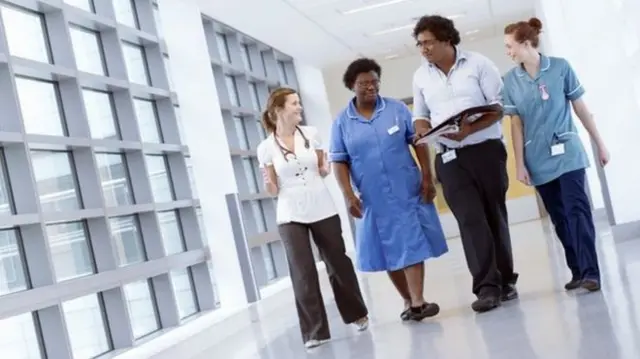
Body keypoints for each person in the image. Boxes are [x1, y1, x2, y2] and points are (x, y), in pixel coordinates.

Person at [411, 15, 518, 313]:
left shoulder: (479, 64)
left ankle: (506, 279)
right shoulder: (420, 77)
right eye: (419, 44)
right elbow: (420, 114)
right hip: (449, 157)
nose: (424, 49)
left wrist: (469, 129)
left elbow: (498, 109)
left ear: (447, 39)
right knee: (470, 220)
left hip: (486, 150)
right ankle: (486, 288)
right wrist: (422, 130)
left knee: (493, 215)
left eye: (428, 42)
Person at [329, 58, 448, 322]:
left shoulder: (396, 110)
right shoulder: (341, 123)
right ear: (352, 86)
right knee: (387, 248)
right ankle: (407, 299)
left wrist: (428, 177)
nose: (370, 87)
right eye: (363, 83)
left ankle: (418, 301)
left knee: (411, 241)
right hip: (372, 196)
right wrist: (348, 195)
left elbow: (418, 143)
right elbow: (339, 161)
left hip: (406, 188)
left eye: (374, 81)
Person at [257, 87, 369, 349]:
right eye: (294, 103)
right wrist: (267, 184)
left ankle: (357, 313)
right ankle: (315, 332)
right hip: (290, 213)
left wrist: (325, 167)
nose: (299, 107)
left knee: (338, 263)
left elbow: (322, 169)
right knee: (302, 272)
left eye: (298, 103)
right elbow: (273, 190)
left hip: (321, 205)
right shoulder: (265, 148)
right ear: (279, 109)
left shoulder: (311, 134)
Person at [502, 18, 609, 292]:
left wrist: (599, 143)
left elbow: (581, 109)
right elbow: (516, 124)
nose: (508, 52)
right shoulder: (510, 81)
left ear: (526, 43)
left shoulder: (560, 67)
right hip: (537, 159)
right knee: (560, 217)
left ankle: (591, 272)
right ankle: (577, 270)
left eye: (510, 46)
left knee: (578, 211)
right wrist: (519, 164)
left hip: (568, 153)